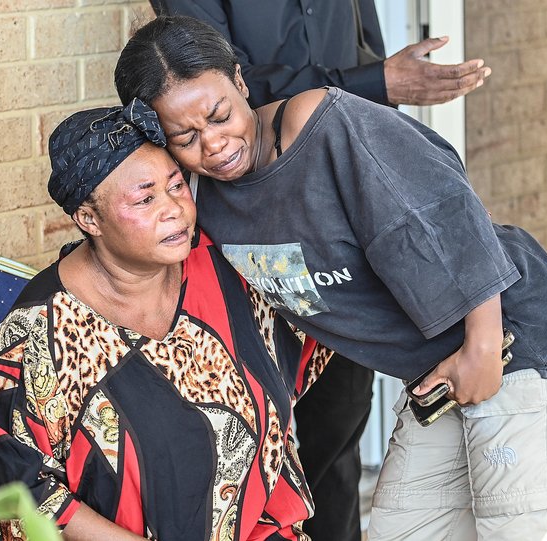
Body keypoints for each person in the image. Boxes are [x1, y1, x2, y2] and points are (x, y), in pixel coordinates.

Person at [114, 16, 547, 540]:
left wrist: (482, 344)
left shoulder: (324, 126)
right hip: (439, 372)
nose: (213, 144)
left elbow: (448, 208)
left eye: (220, 116)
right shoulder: (203, 197)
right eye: (186, 136)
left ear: (241, 83)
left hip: (519, 342)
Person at [143, 4, 492, 538]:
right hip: (247, 220)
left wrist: (374, 83)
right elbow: (203, 79)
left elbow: (359, 39)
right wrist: (375, 81)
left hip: (336, 230)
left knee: (339, 431)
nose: (205, 137)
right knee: (253, 433)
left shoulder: (337, 129)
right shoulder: (218, 128)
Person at [0, 99, 335, 540]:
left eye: (176, 186)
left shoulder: (223, 268)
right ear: (89, 219)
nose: (173, 209)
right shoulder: (38, 338)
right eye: (145, 198)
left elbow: (327, 305)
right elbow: (13, 489)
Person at [148, 0, 491, 108]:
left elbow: (364, 37)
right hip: (264, 167)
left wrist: (385, 91)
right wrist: (377, 83)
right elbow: (225, 83)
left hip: (354, 143)